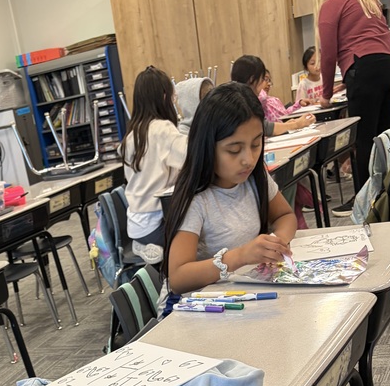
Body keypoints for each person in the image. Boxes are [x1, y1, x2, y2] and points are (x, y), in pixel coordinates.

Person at [161, 82, 297, 316]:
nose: (249, 159)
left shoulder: (255, 178)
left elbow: (285, 216)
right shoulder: (197, 200)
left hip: (240, 298)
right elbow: (179, 277)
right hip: (197, 309)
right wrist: (240, 256)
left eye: (256, 144)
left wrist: (276, 243)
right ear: (207, 147)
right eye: (234, 150)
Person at [312, 0, 390, 188]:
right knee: (383, 136)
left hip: (368, 68)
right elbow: (370, 38)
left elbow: (329, 54)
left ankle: (367, 203)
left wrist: (326, 95)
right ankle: (387, 196)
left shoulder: (330, 4)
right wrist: (349, 79)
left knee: (363, 141)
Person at [120, 65, 188, 264]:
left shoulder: (131, 136)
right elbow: (193, 158)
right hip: (157, 222)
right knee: (204, 239)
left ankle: (149, 247)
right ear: (165, 97)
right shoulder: (162, 129)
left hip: (136, 223)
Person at [230, 56, 315, 134]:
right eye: (263, 79)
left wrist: (287, 125)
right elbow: (264, 127)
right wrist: (296, 124)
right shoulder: (243, 101)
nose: (265, 83)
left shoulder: (239, 97)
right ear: (252, 79)